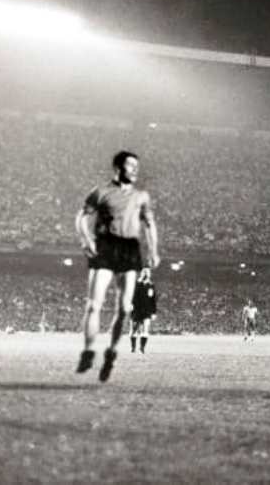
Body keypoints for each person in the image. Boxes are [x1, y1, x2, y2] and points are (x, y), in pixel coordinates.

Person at [74, 150, 160, 382]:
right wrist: (86, 239)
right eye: (130, 165)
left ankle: (111, 353)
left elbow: (150, 225)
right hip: (105, 246)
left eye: (136, 165)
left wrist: (153, 251)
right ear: (117, 168)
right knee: (94, 305)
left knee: (124, 309)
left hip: (129, 249)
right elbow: (81, 217)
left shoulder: (141, 196)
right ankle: (88, 352)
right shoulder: (101, 192)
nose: (135, 169)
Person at [130, 267, 157, 354]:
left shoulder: (151, 285)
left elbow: (153, 300)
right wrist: (131, 304)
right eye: (144, 272)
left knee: (145, 329)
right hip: (136, 309)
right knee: (134, 329)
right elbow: (132, 295)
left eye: (147, 272)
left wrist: (154, 312)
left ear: (149, 274)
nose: (145, 274)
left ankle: (142, 348)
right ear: (141, 273)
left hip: (147, 310)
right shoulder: (136, 284)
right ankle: (133, 348)